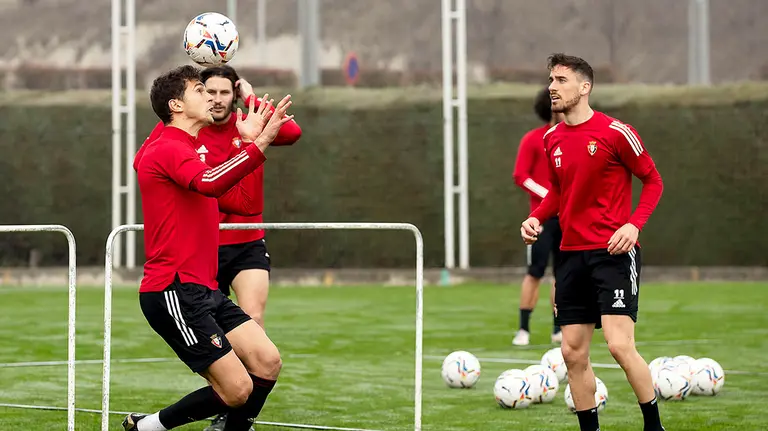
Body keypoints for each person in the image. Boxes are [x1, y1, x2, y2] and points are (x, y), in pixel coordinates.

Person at [123, 65, 293, 431]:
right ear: (176, 106)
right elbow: (210, 183)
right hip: (173, 289)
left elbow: (246, 204)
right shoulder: (167, 147)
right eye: (199, 91)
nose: (211, 97)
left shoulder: (192, 151)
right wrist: (258, 144)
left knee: (267, 361)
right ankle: (149, 427)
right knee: (237, 389)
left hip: (203, 289)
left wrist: (247, 142)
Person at [520, 53, 665, 431]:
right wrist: (537, 216)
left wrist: (634, 225)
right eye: (551, 79)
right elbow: (557, 193)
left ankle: (653, 426)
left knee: (618, 345)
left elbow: (653, 181)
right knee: (572, 352)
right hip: (570, 256)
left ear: (585, 88)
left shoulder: (617, 132)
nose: (552, 87)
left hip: (613, 254)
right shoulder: (551, 139)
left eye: (562, 80)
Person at [512, 87, 563, 346]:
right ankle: (523, 329)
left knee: (562, 273)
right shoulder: (533, 139)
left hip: (567, 218)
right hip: (541, 219)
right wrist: (548, 196)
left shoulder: (571, 139)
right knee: (535, 272)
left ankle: (558, 328)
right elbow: (521, 176)